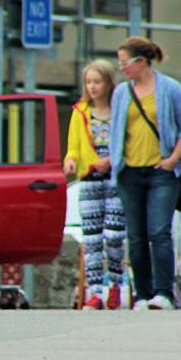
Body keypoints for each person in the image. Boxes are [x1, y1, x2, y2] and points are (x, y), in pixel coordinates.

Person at [109, 36, 181, 311]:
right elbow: (116, 132)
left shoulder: (170, 89)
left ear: (141, 62)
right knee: (135, 235)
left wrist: (172, 160)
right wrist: (114, 164)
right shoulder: (122, 92)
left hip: (162, 172)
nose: (121, 68)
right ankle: (142, 295)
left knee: (159, 232)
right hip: (130, 172)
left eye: (125, 63)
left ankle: (163, 293)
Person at [63, 60, 125, 309]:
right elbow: (73, 148)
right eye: (88, 82)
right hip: (89, 179)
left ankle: (116, 286)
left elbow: (126, 143)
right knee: (91, 239)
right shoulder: (80, 112)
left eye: (97, 82)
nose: (92, 87)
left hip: (115, 178)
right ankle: (96, 292)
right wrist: (70, 161)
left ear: (109, 83)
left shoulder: (120, 111)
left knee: (114, 235)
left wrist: (111, 160)